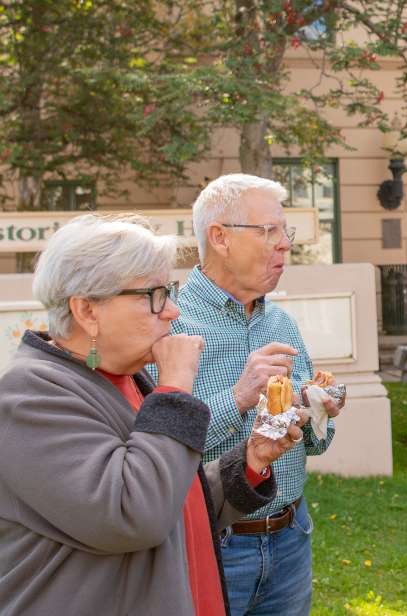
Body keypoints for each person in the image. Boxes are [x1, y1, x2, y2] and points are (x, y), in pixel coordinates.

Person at [0, 214, 303, 615]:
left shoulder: (128, 380)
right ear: (87, 310)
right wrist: (175, 385)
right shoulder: (31, 396)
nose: (173, 312)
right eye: (154, 295)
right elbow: (134, 515)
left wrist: (250, 462)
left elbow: (172, 498)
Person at [159, 174, 343, 616]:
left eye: (285, 231)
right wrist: (239, 396)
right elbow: (158, 454)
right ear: (219, 238)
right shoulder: (168, 325)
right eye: (268, 232)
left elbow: (316, 443)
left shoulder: (280, 323)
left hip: (291, 535)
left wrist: (317, 409)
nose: (284, 244)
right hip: (212, 541)